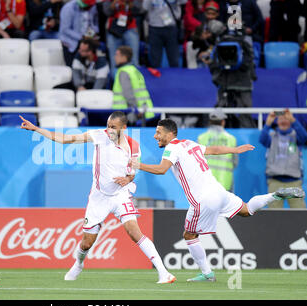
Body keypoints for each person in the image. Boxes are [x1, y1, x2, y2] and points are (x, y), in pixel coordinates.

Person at [131, 118, 305, 281]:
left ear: (170, 134)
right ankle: (275, 195)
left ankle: (207, 274)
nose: (156, 136)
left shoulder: (172, 148)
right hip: (219, 191)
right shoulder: (189, 144)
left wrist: (137, 165)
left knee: (189, 235)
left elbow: (162, 169)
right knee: (246, 210)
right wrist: (235, 150)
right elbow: (213, 150)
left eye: (159, 132)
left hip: (203, 199)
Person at [19, 111, 176, 284]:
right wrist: (36, 129)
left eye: (113, 127)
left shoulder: (134, 146)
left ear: (124, 128)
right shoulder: (99, 136)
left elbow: (132, 173)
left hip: (120, 196)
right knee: (86, 243)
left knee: (134, 232)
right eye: (108, 126)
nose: (109, 130)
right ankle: (78, 264)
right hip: (99, 197)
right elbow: (64, 139)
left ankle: (163, 272)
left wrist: (127, 179)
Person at [259, 109, 307, 208]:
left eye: (286, 119)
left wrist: (293, 120)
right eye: (280, 119)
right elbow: (262, 139)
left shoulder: (296, 136)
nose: (283, 121)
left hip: (294, 181)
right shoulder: (272, 136)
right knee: (273, 214)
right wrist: (268, 122)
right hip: (275, 181)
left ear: (290, 121)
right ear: (277, 121)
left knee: (300, 214)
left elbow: (304, 137)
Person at [112, 46, 155, 125]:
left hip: (128, 112)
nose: (115, 57)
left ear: (124, 57)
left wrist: (135, 109)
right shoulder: (135, 70)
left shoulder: (123, 72)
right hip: (142, 109)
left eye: (117, 55)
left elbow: (128, 94)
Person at [197, 108, 238, 192]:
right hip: (225, 183)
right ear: (223, 122)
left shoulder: (201, 138)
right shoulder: (231, 139)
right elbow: (235, 162)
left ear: (210, 121)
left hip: (206, 184)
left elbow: (196, 162)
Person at [102, 0, 143, 76]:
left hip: (131, 27)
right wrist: (114, 4)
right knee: (115, 60)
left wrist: (130, 4)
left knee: (133, 60)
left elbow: (139, 10)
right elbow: (106, 12)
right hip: (114, 29)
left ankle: (134, 83)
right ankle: (117, 84)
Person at [142, 0, 188, 68]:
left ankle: (175, 77)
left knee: (174, 59)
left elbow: (184, 1)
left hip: (171, 27)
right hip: (154, 28)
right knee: (155, 60)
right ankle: (156, 78)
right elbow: (145, 7)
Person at [58, 0, 99, 66]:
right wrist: (82, 37)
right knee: (72, 67)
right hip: (70, 44)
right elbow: (65, 29)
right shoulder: (68, 9)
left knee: (88, 66)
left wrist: (93, 33)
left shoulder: (92, 6)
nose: (90, 7)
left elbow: (94, 23)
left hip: (86, 42)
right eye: (88, 5)